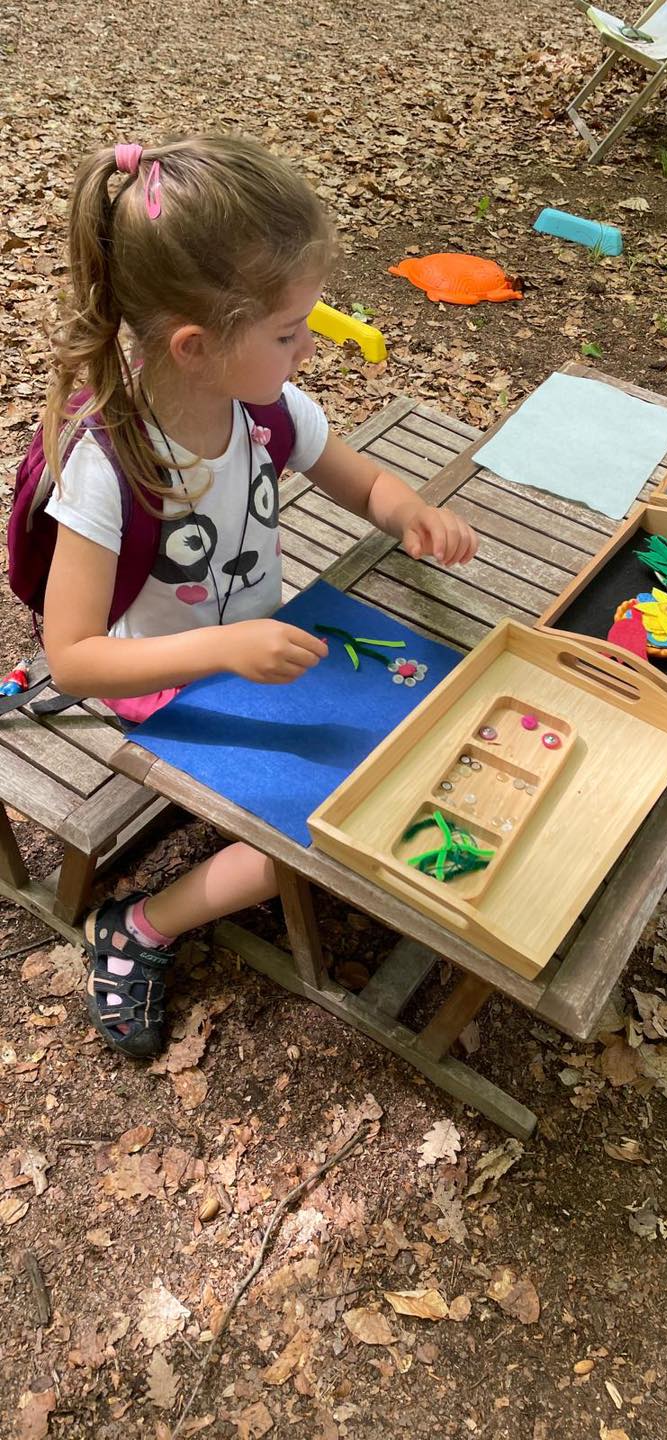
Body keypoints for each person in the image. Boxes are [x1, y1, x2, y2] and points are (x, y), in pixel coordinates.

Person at [41, 134, 478, 1060]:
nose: (305, 347)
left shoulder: (265, 408)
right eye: (288, 333)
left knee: (423, 723)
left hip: (261, 651)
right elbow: (73, 659)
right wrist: (225, 649)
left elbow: (362, 481)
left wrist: (409, 511)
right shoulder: (108, 466)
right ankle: (138, 925)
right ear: (197, 348)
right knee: (317, 832)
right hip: (166, 683)